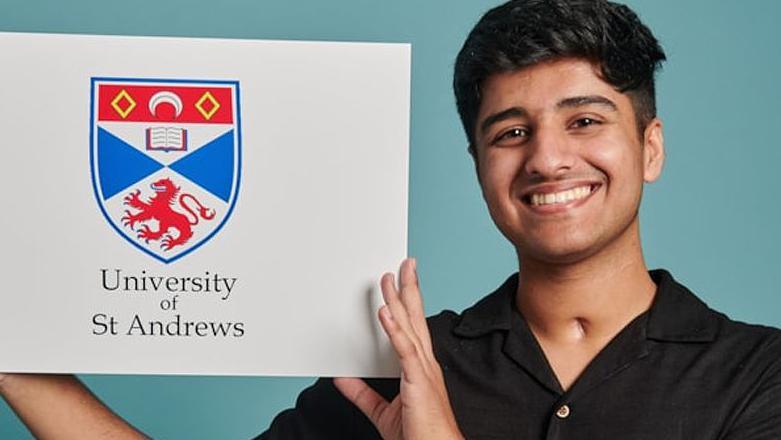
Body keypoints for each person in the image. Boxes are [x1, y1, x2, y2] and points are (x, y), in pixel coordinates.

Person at [2, 0, 780, 438]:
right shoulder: (397, 367)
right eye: (509, 132)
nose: (545, 159)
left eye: (584, 121)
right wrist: (14, 350)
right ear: (479, 165)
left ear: (649, 147)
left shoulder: (759, 379)